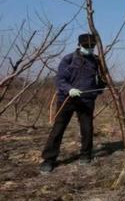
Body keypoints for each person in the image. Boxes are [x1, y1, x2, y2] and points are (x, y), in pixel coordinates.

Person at [39, 33, 105, 174]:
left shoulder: (96, 61)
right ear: (79, 45)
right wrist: (70, 89)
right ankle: (49, 160)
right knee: (58, 129)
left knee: (87, 129)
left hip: (87, 100)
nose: (89, 48)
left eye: (92, 46)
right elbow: (60, 80)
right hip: (66, 99)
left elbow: (102, 79)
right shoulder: (68, 59)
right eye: (86, 46)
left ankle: (86, 155)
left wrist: (97, 91)